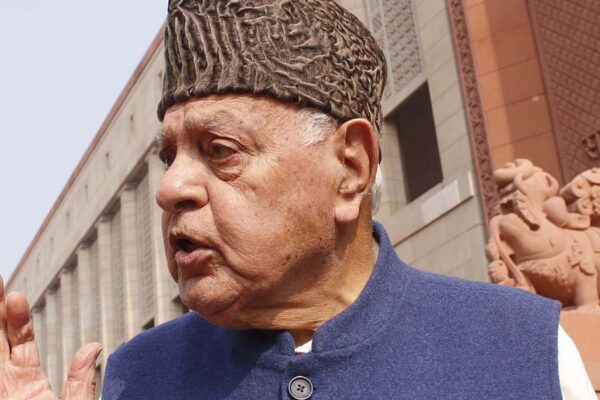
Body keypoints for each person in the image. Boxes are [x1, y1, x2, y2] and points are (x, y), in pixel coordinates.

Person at [0, 0, 596, 399]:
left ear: (351, 167)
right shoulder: (137, 378)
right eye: (169, 156)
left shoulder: (520, 350)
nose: (170, 188)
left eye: (220, 150)